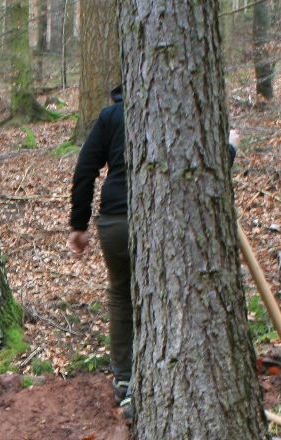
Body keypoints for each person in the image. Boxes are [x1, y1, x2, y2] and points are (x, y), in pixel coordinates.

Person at [68, 85, 236, 418]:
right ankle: (169, 381)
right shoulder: (180, 108)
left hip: (116, 222)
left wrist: (79, 224)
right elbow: (205, 172)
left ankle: (126, 380)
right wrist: (229, 149)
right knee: (169, 295)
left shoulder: (112, 116)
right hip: (165, 224)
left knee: (121, 295)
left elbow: (85, 168)